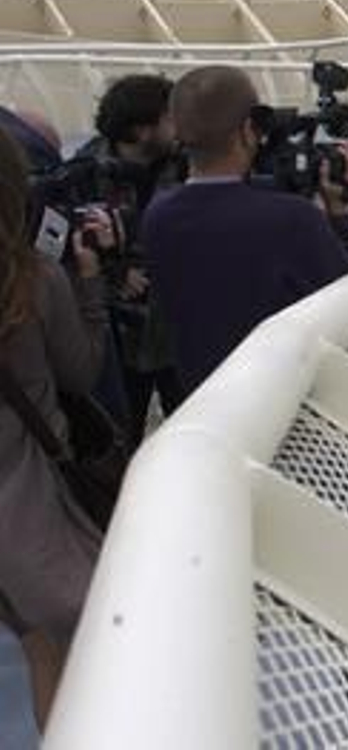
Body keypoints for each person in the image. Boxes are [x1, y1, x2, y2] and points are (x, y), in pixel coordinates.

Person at [142, 66, 348, 397]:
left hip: (203, 404)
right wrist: (339, 213)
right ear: (249, 130)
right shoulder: (292, 220)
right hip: (284, 409)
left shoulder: (158, 215)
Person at [0, 129, 107, 732]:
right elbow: (81, 370)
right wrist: (90, 284)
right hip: (37, 511)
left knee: (43, 651)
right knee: (97, 658)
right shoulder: (33, 281)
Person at [75, 74, 185, 432]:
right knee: (121, 437)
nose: (179, 124)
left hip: (178, 332)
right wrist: (114, 274)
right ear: (141, 131)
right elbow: (64, 249)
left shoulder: (184, 162)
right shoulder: (84, 172)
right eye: (169, 117)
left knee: (192, 430)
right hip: (117, 341)